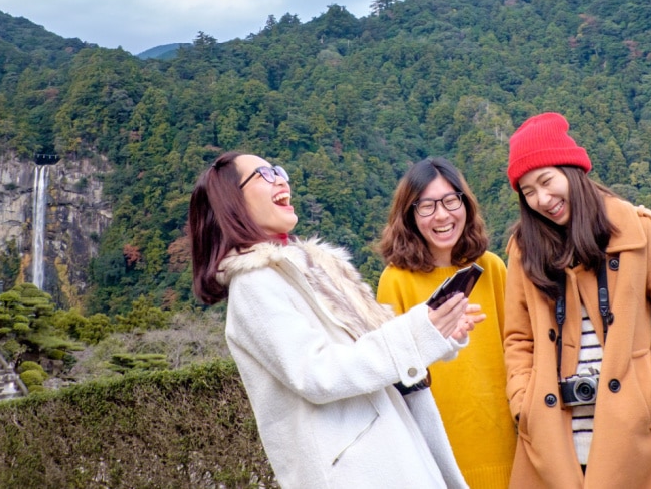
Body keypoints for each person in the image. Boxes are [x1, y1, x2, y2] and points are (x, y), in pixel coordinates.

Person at [189, 151, 479, 489]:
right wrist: (417, 331)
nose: (282, 179)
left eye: (278, 170)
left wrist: (436, 332)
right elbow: (319, 374)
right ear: (231, 201)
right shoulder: (255, 283)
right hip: (359, 472)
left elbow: (375, 347)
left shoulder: (306, 265)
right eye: (265, 174)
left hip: (389, 454)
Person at [501, 112, 651, 488]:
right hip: (551, 441)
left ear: (572, 172)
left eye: (547, 181)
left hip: (637, 439)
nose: (542, 199)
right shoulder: (525, 252)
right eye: (528, 191)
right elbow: (518, 340)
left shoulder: (636, 231)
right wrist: (523, 404)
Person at [377, 157, 516, 489]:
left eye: (451, 201)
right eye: (426, 206)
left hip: (505, 446)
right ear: (409, 215)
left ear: (465, 204)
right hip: (434, 454)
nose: (441, 215)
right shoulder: (395, 281)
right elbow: (390, 373)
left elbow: (519, 347)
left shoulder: (492, 268)